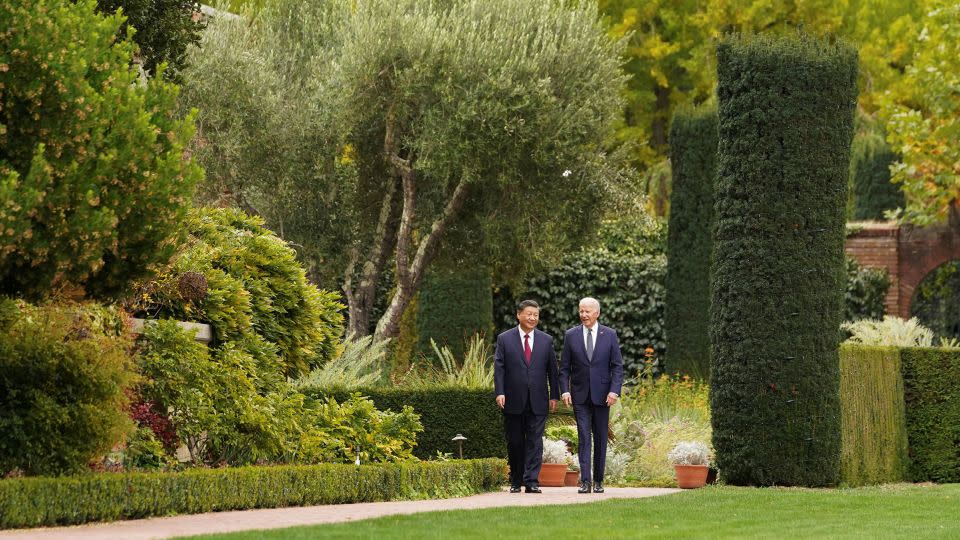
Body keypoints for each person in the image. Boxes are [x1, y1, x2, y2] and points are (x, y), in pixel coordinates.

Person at [559, 297, 624, 494]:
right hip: (580, 396)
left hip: (604, 396)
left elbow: (617, 366)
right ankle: (585, 482)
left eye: (587, 311)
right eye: (581, 311)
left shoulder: (609, 335)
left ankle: (598, 482)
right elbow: (564, 368)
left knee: (601, 438)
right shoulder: (571, 335)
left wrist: (614, 390)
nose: (584, 315)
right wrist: (565, 390)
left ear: (597, 313)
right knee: (584, 438)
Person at [494, 299, 559, 493]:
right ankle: (516, 480)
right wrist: (500, 392)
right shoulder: (504, 339)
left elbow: (552, 371)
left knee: (534, 441)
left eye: (536, 315)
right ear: (519, 315)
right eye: (529, 314)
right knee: (515, 441)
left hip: (538, 400)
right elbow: (499, 368)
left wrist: (554, 395)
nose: (532, 318)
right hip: (512, 399)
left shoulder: (546, 340)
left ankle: (531, 481)